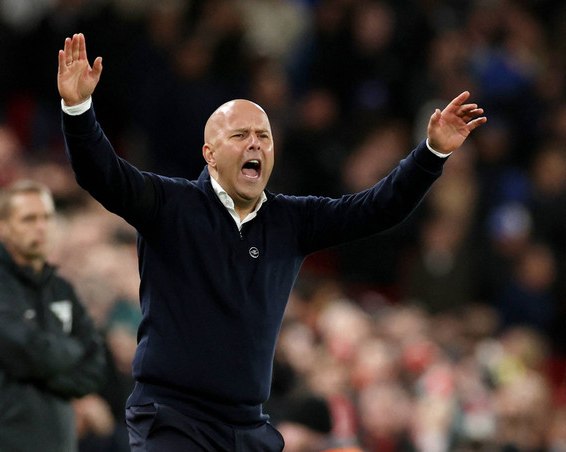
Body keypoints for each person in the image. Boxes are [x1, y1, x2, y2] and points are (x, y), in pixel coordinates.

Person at [57, 33, 487, 451]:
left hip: (248, 426)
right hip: (173, 418)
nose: (255, 144)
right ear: (209, 153)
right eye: (240, 135)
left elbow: (378, 208)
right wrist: (78, 110)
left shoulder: (292, 219)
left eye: (263, 136)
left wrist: (431, 154)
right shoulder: (170, 203)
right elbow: (102, 173)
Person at [0, 180, 107, 452]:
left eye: (47, 217)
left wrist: (51, 363)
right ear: (3, 227)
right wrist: (69, 354)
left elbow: (94, 366)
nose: (41, 226)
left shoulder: (59, 288)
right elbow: (29, 353)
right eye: (28, 219)